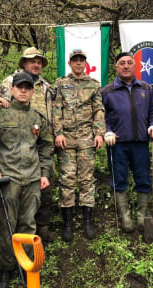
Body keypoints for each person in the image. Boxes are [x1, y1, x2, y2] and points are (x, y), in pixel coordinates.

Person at [0, 72, 53, 288]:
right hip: (8, 179)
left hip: (33, 179)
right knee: (7, 225)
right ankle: (5, 268)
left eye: (27, 87)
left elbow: (45, 146)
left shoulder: (38, 118)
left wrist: (44, 173)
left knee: (28, 224)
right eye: (19, 87)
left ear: (33, 91)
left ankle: (27, 265)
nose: (23, 90)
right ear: (12, 89)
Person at [0, 47, 56, 242]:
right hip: (16, 145)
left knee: (44, 187)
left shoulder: (46, 86)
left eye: (39, 61)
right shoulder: (9, 82)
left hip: (41, 139)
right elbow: (2, 110)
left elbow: (52, 112)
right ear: (23, 63)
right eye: (32, 61)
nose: (36, 64)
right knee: (16, 195)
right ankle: (13, 238)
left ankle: (41, 226)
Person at [101, 52, 153, 233]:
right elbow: (100, 115)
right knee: (119, 180)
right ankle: (125, 217)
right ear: (116, 67)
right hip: (117, 144)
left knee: (143, 179)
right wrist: (107, 130)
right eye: (122, 63)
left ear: (135, 66)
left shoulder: (145, 88)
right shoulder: (107, 91)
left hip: (140, 143)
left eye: (129, 63)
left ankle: (142, 216)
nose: (126, 66)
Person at [52, 49, 105, 242]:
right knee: (67, 178)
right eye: (75, 60)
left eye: (81, 60)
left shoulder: (93, 85)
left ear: (85, 63)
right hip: (66, 138)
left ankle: (87, 220)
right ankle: (67, 221)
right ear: (70, 63)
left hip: (86, 138)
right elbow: (55, 109)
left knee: (87, 178)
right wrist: (57, 133)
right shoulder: (60, 84)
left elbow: (99, 109)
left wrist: (99, 133)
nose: (78, 63)